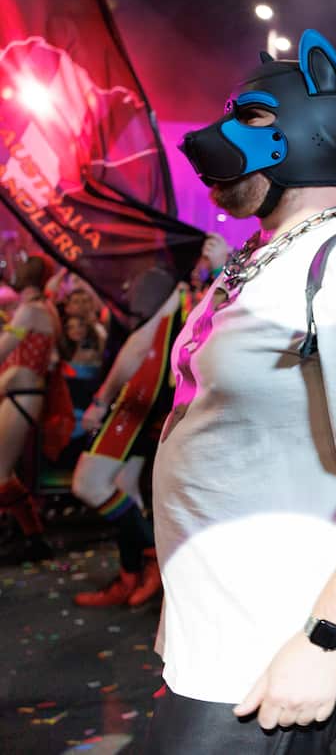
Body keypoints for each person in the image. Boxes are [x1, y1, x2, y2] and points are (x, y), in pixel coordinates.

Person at [142, 30, 336, 753]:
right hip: (214, 635)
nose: (219, 137)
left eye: (247, 118)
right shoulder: (263, 260)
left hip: (273, 652)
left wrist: (324, 639)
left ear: (308, 132)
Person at [72, 246, 224, 608]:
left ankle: (154, 557)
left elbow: (140, 345)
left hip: (140, 394)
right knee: (125, 489)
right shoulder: (178, 284)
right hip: (157, 398)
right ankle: (131, 575)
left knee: (89, 484)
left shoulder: (165, 283)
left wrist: (102, 400)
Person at [0, 255, 73, 565]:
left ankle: (33, 536)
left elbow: (3, 350)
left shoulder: (30, 311)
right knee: (4, 471)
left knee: (0, 472)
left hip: (23, 395)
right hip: (24, 394)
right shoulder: (45, 309)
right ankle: (31, 534)